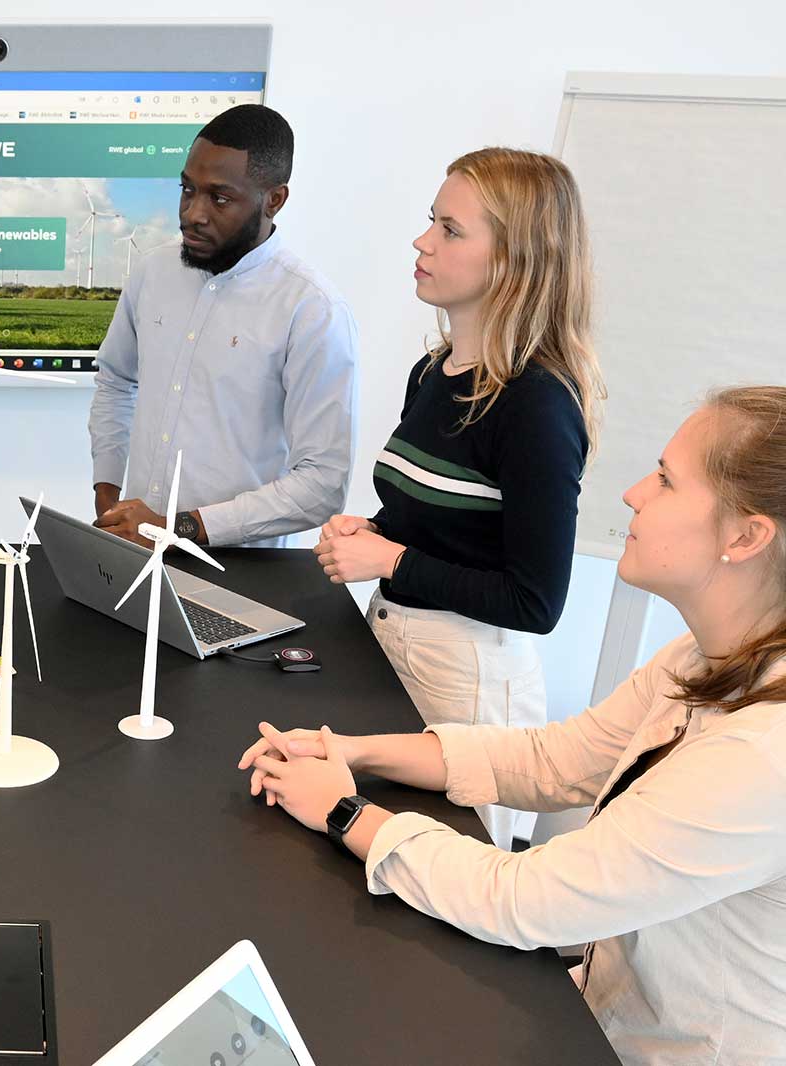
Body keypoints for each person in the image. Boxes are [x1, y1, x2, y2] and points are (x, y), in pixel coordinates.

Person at [243, 386, 786, 1064]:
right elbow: (555, 761)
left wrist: (345, 812)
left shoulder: (762, 759)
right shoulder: (703, 660)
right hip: (605, 1010)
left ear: (746, 535)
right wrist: (356, 753)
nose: (634, 494)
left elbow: (526, 898)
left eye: (667, 481)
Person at [313, 147, 606, 849]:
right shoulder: (432, 372)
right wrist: (373, 532)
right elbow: (440, 524)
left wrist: (389, 559)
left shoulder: (537, 405)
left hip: (469, 686)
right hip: (396, 643)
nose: (423, 242)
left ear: (513, 261)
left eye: (450, 230)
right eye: (430, 223)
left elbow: (534, 603)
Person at [87, 104, 357, 549]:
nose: (193, 213)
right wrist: (107, 493)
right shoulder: (152, 272)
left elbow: (323, 483)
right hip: (132, 552)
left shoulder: (313, 310)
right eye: (187, 190)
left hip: (241, 574)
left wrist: (180, 528)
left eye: (220, 198)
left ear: (274, 200)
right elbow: (116, 380)